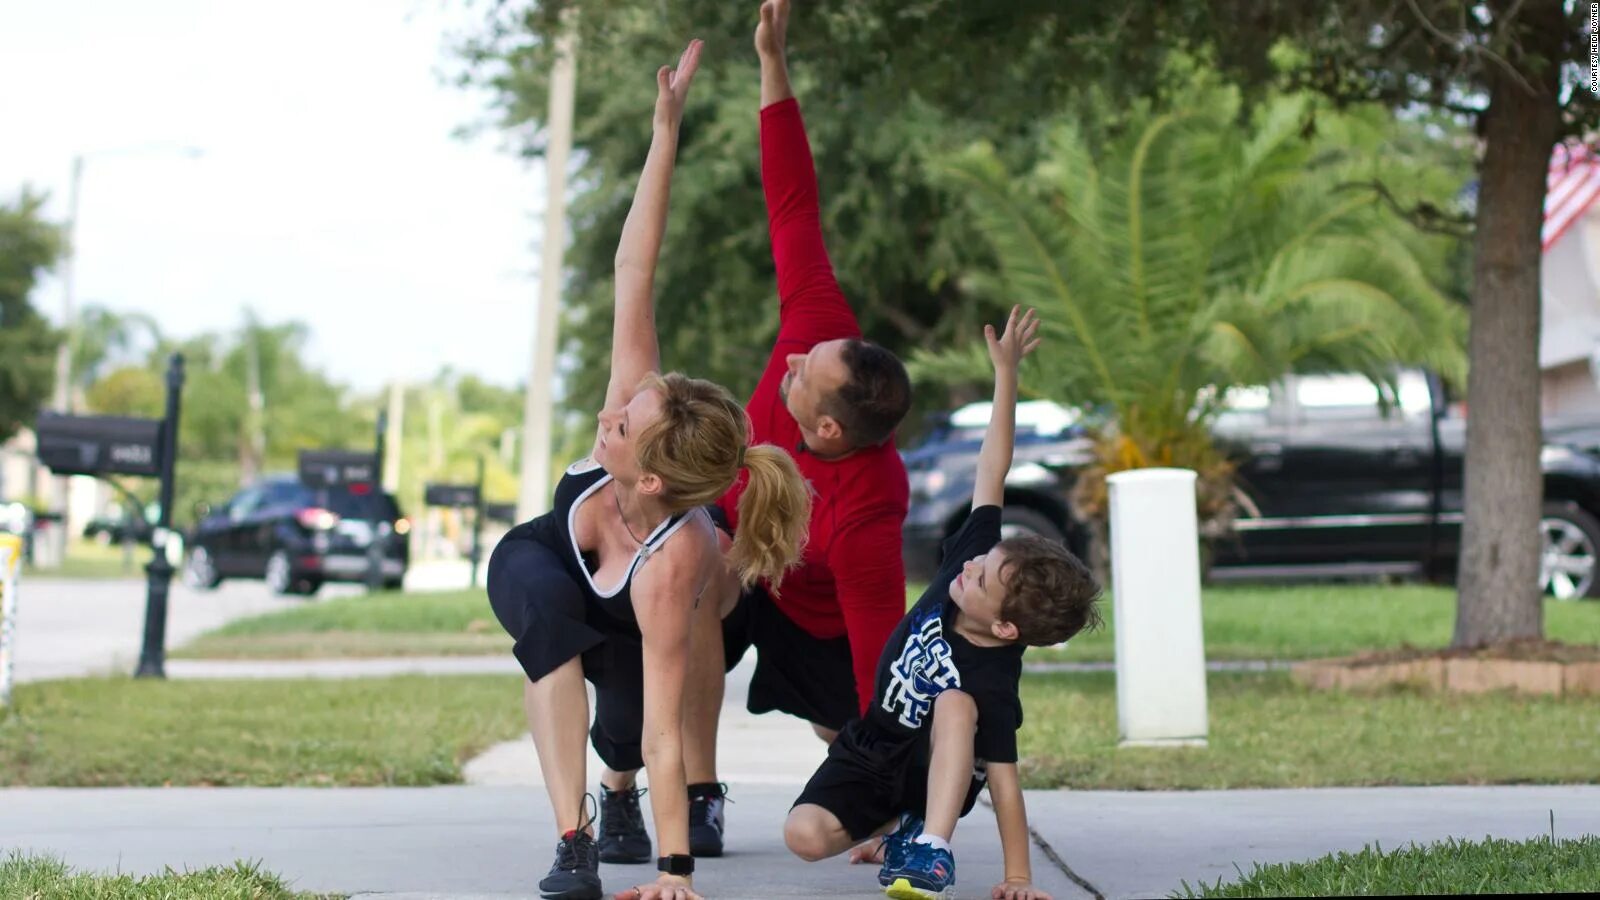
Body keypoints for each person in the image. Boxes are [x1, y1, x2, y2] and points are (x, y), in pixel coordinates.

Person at [486, 39, 811, 900]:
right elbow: (636, 267)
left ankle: (618, 791)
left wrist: (676, 873)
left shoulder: (680, 559)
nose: (608, 414)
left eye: (622, 424)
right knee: (550, 622)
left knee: (628, 735)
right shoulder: (632, 411)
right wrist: (664, 130)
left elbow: (669, 732)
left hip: (643, 618)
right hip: (546, 562)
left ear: (655, 479)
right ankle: (574, 840)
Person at [676, 0, 915, 857]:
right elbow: (793, 206)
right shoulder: (820, 327)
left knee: (848, 741)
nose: (789, 359)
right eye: (805, 354)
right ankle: (697, 793)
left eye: (801, 374)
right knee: (701, 570)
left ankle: (898, 804)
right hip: (739, 568)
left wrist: (886, 786)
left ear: (824, 429)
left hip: (816, 621)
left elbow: (881, 651)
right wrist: (773, 65)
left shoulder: (865, 514)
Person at [782, 307, 1104, 900]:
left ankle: (931, 846)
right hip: (872, 743)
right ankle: (896, 825)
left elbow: (1005, 785)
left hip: (936, 766)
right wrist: (1006, 376)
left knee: (955, 702)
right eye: (983, 560)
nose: (970, 569)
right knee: (802, 836)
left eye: (982, 579)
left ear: (1006, 627)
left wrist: (1018, 878)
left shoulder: (992, 683)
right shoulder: (974, 561)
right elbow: (993, 467)